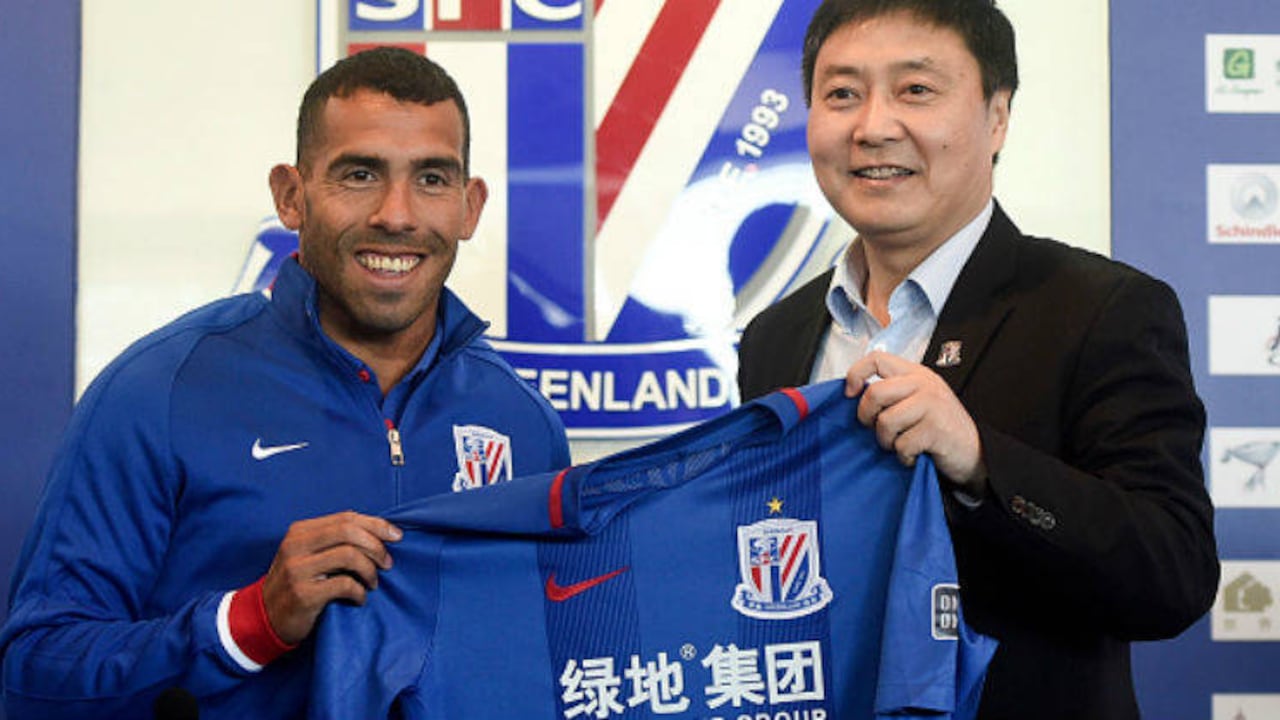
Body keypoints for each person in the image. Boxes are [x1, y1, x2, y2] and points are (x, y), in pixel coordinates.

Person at [1, 47, 569, 719]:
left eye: (432, 179)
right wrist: (249, 623)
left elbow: (555, 663)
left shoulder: (524, 423)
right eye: (359, 174)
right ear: (291, 195)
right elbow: (33, 676)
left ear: (469, 207)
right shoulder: (159, 391)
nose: (397, 214)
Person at [736, 2, 1219, 719]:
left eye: (916, 90)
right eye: (841, 94)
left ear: (997, 116)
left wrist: (978, 460)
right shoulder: (773, 336)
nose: (872, 126)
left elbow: (1171, 576)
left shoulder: (1101, 309)